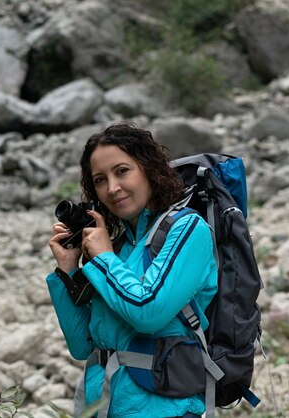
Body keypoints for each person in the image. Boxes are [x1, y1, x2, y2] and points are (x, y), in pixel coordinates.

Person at [46, 123, 218, 418]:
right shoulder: (118, 246)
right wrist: (67, 272)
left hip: (165, 409)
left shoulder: (188, 230)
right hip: (104, 405)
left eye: (122, 171)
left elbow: (149, 313)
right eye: (100, 179)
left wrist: (103, 259)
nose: (112, 188)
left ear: (148, 168)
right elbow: (82, 346)